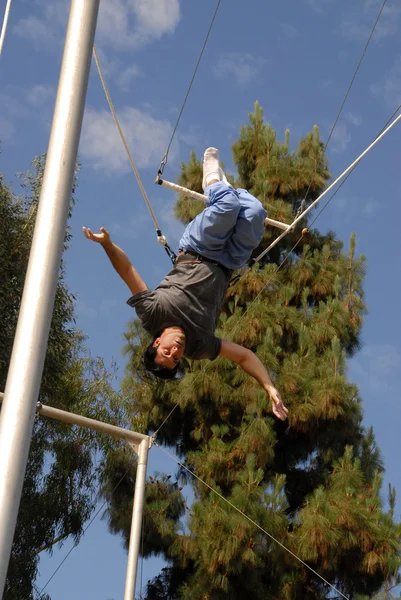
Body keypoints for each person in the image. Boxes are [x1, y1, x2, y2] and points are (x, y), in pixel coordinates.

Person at [83, 148, 288, 421]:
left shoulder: (153, 314)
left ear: (157, 341)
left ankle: (213, 179)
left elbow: (128, 271)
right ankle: (226, 189)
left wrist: (107, 245)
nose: (176, 351)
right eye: (176, 358)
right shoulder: (199, 347)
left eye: (167, 351)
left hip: (199, 247)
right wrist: (269, 387)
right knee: (254, 212)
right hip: (229, 262)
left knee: (227, 207)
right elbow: (244, 356)